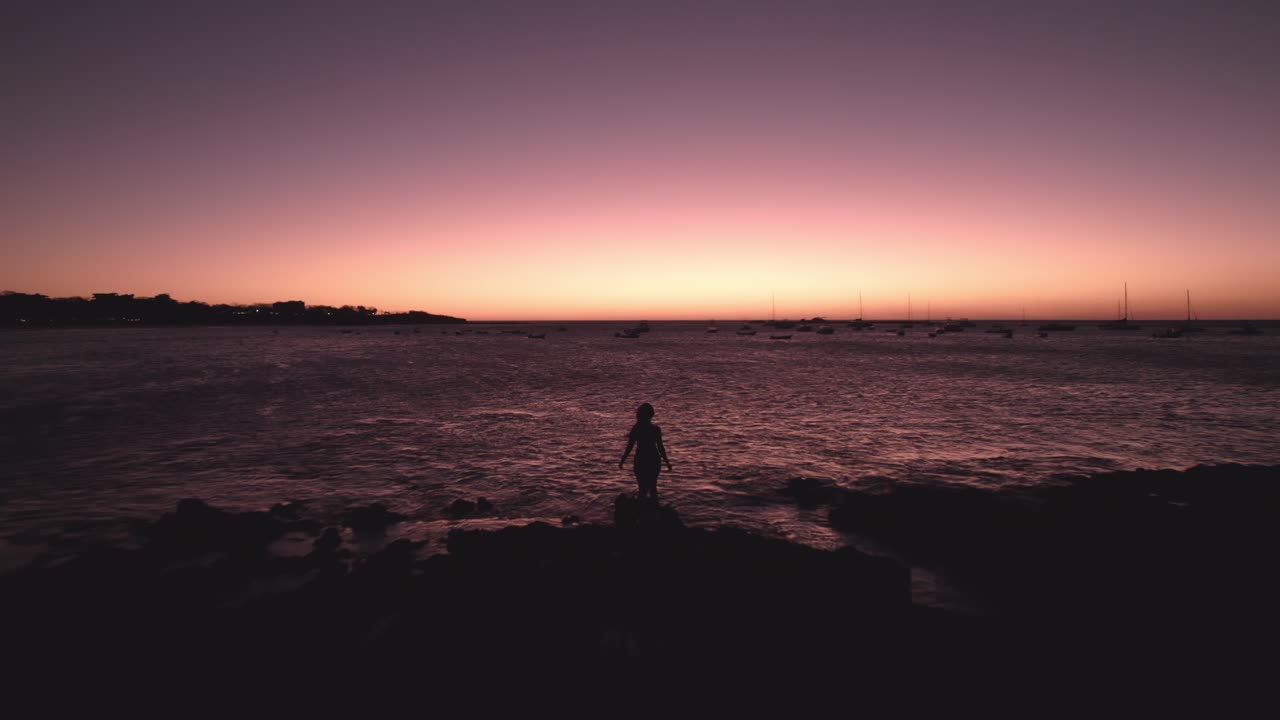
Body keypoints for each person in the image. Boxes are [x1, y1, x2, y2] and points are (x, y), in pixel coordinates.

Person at [618, 402, 672, 501]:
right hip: (653, 460)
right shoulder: (655, 429)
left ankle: (642, 512)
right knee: (653, 488)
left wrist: (622, 460)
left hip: (641, 459)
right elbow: (661, 448)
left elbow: (630, 446)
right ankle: (654, 510)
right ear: (651, 415)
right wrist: (667, 462)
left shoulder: (636, 429)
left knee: (642, 489)